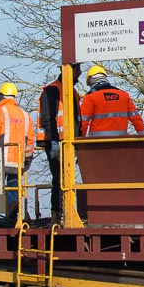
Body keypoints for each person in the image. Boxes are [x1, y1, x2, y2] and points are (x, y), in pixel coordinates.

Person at [0, 82, 36, 227]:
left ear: (1, 96)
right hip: (18, 160)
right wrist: (27, 159)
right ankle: (13, 205)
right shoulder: (25, 115)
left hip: (0, 159)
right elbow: (30, 140)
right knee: (13, 185)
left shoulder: (0, 111)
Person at [36, 64, 80, 222]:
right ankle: (57, 214)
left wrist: (79, 143)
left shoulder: (72, 92)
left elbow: (78, 120)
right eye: (78, 69)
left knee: (66, 179)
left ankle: (65, 212)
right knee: (59, 178)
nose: (80, 73)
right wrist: (54, 141)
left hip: (68, 143)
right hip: (55, 141)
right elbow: (48, 118)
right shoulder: (52, 90)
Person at [79, 65, 144, 137]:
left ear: (91, 80)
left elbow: (83, 122)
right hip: (120, 141)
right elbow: (136, 119)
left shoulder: (90, 96)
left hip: (98, 142)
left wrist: (79, 140)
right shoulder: (123, 95)